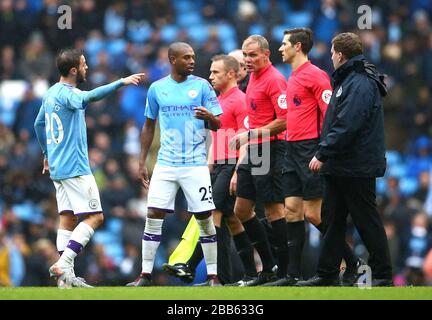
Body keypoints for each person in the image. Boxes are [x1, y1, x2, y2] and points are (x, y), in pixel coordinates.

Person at [34, 48, 145, 288]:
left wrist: (46, 153)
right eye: (84, 64)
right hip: (75, 167)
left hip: (57, 168)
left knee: (67, 217)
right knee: (96, 216)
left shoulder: (51, 92)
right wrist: (121, 82)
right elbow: (87, 98)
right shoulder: (68, 93)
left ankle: (65, 281)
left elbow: (38, 123)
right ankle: (64, 263)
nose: (87, 68)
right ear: (73, 70)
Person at [265, 28, 361, 286]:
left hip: (310, 149)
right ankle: (292, 275)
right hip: (291, 149)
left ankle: (353, 263)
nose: (280, 48)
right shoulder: (292, 77)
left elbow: (331, 114)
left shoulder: (316, 76)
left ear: (298, 46)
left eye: (284, 44)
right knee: (292, 211)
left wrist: (323, 150)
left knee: (314, 215)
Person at [297, 32, 393, 287]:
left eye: (331, 53)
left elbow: (348, 124)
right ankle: (328, 272)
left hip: (356, 166)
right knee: (332, 220)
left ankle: (382, 274)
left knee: (365, 219)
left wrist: (322, 152)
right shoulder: (349, 80)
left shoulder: (359, 82)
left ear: (340, 54)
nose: (330, 57)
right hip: (341, 165)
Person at [126, 42, 223, 287]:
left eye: (193, 57)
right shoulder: (157, 89)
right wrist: (142, 160)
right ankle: (145, 274)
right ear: (172, 59)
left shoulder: (202, 86)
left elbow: (219, 125)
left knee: (204, 217)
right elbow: (148, 126)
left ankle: (213, 276)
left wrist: (209, 117)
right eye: (186, 57)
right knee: (153, 214)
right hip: (166, 164)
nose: (192, 61)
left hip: (195, 164)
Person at [161, 54, 257, 286]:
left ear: (231, 74)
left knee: (210, 211)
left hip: (233, 164)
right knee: (231, 221)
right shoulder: (218, 101)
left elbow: (248, 139)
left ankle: (191, 265)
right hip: (219, 165)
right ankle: (241, 276)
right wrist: (209, 165)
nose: (211, 76)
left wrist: (238, 171)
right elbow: (217, 138)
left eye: (216, 72)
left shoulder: (240, 100)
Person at [229, 35, 289, 286]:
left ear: (267, 54)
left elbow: (285, 120)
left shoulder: (275, 80)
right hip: (255, 149)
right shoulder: (253, 77)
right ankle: (269, 266)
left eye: (253, 55)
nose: (248, 59)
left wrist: (250, 135)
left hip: (272, 148)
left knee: (273, 208)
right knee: (241, 210)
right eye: (245, 54)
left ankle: (286, 272)